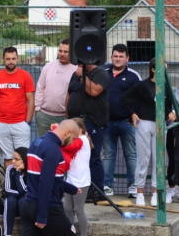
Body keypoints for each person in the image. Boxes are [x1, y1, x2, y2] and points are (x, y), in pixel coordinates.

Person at [8, 119, 82, 236]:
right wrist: (42, 216)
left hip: (29, 204)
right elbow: (45, 184)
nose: (73, 142)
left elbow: (44, 177)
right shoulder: (53, 150)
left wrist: (70, 188)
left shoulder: (37, 142)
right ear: (67, 133)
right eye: (74, 138)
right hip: (48, 208)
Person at [121, 58, 176, 206]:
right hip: (144, 123)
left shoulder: (166, 87)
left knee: (159, 159)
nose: (165, 72)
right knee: (143, 158)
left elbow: (168, 106)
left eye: (166, 69)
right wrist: (132, 113)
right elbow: (125, 98)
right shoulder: (142, 85)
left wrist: (170, 113)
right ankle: (139, 192)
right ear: (153, 69)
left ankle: (155, 192)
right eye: (161, 68)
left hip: (160, 125)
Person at [102, 44, 141, 198]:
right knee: (108, 155)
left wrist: (134, 116)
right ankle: (107, 186)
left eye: (121, 56)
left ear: (127, 58)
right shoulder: (103, 74)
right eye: (115, 56)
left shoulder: (133, 76)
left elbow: (140, 97)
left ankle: (133, 185)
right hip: (107, 122)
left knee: (131, 154)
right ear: (111, 57)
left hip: (127, 122)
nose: (118, 59)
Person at [0, 46, 35, 169]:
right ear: (3, 59)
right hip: (0, 124)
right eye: (8, 59)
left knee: (22, 157)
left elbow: (31, 100)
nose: (11, 61)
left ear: (17, 58)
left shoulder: (25, 76)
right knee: (8, 158)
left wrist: (27, 122)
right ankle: (9, 186)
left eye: (13, 59)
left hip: (20, 123)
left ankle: (22, 186)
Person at [66, 64, 110, 192]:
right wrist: (67, 113)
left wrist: (81, 75)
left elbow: (94, 91)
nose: (80, 64)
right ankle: (77, 188)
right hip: (74, 121)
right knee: (75, 156)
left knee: (92, 156)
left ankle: (96, 191)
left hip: (93, 121)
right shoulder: (75, 73)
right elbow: (69, 93)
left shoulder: (101, 74)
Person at [35, 39, 77, 136]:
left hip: (64, 117)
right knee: (43, 147)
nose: (62, 54)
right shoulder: (48, 66)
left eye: (65, 52)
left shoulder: (76, 69)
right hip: (44, 116)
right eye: (60, 51)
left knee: (63, 148)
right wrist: (37, 110)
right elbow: (40, 88)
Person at [63, 118, 93, 236]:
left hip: (82, 181)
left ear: (79, 130)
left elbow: (68, 147)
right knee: (67, 208)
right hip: (70, 179)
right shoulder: (73, 140)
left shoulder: (83, 140)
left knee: (79, 209)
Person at [3, 147, 28, 236]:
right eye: (13, 158)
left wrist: (19, 175)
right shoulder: (10, 169)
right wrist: (22, 193)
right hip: (13, 203)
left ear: (24, 160)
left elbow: (27, 192)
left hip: (26, 204)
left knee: (23, 200)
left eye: (16, 159)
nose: (13, 161)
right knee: (10, 200)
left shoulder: (31, 171)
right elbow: (7, 190)